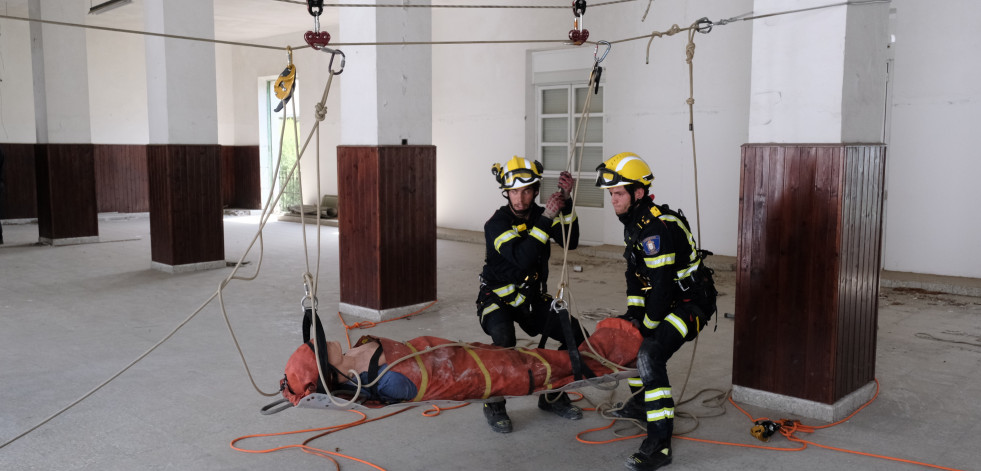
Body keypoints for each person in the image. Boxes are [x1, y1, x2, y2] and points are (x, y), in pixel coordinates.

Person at [594, 152, 716, 471]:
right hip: (668, 299)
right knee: (624, 334)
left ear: (638, 193)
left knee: (649, 353)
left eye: (618, 193)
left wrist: (645, 326)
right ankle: (639, 404)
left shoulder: (654, 229)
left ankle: (659, 444)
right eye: (611, 194)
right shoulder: (633, 224)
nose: (613, 201)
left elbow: (661, 289)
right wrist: (634, 318)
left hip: (692, 302)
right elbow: (636, 280)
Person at [280, 317, 643, 407]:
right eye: (317, 348)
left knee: (528, 357)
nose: (320, 340)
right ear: (329, 372)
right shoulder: (381, 382)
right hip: (471, 374)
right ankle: (616, 351)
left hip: (459, 354)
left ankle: (606, 348)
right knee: (541, 368)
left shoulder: (353, 360)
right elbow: (444, 382)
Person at [475, 156, 585, 433]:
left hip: (531, 298)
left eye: (526, 191)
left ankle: (554, 396)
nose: (520, 198)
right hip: (496, 298)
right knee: (504, 341)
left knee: (575, 336)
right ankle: (495, 404)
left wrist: (567, 201)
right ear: (506, 192)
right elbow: (522, 259)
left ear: (535, 191)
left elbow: (570, 241)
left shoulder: (539, 214)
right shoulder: (496, 224)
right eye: (514, 191)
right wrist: (548, 217)